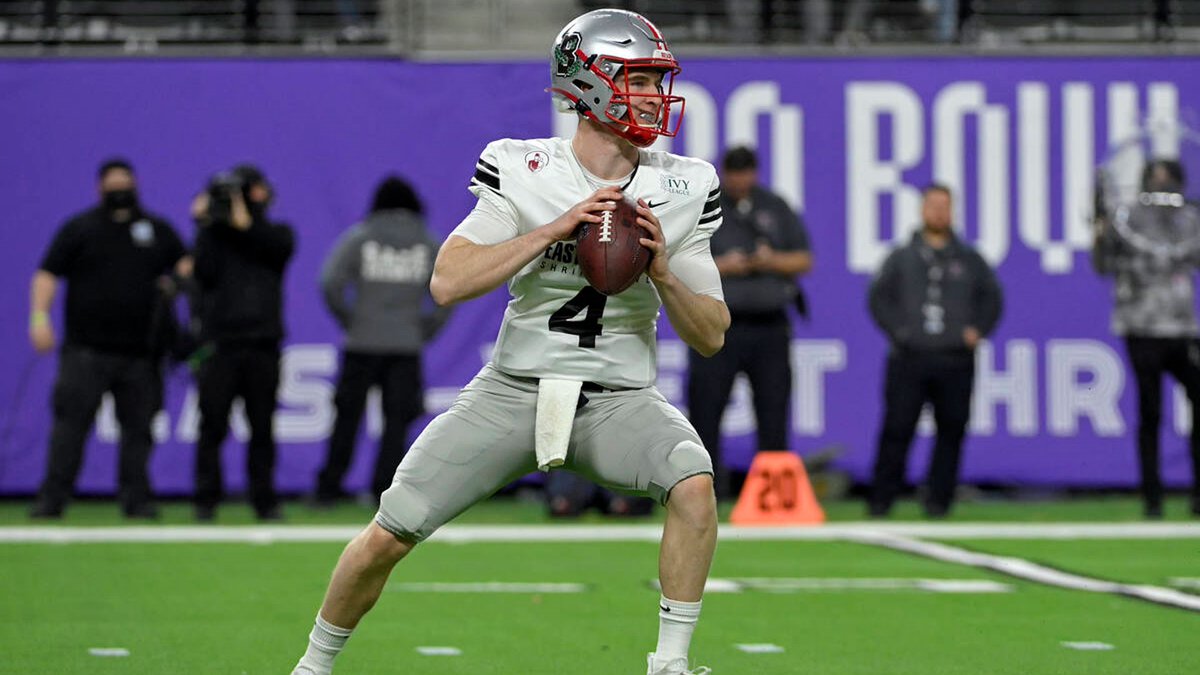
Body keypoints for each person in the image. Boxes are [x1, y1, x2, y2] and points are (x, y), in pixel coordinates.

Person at [292, 9, 727, 675]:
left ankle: (669, 664)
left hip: (618, 399)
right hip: (513, 391)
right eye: (638, 79)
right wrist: (552, 230)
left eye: (654, 81)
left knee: (694, 485)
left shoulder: (683, 185)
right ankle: (313, 665)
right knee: (388, 534)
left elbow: (712, 334)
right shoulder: (523, 166)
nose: (652, 96)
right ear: (590, 82)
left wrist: (663, 272)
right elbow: (447, 281)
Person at [29, 158, 186, 519]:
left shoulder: (156, 229)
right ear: (100, 188)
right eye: (113, 184)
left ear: (136, 185)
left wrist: (176, 284)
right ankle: (53, 498)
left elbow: (186, 265)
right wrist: (39, 317)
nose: (120, 190)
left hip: (140, 353)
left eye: (125, 183)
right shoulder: (80, 229)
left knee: (139, 431)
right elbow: (46, 274)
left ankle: (137, 500)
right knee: (70, 427)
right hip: (86, 351)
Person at [867, 183, 1002, 518]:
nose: (939, 212)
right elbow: (878, 298)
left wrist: (977, 330)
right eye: (933, 206)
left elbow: (992, 298)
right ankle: (882, 499)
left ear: (952, 210)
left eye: (945, 206)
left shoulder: (969, 259)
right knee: (898, 427)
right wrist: (900, 332)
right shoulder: (902, 257)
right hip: (910, 357)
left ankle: (939, 500)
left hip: (954, 358)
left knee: (952, 429)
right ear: (922, 210)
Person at [313, 175, 450, 507]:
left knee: (347, 419)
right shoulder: (428, 242)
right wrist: (425, 328)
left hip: (361, 342)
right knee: (397, 422)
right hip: (405, 345)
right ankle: (384, 488)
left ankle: (329, 488)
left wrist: (352, 320)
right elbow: (448, 291)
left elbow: (329, 282)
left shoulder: (361, 237)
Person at [686, 146, 813, 500]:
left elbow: (803, 259)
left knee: (773, 410)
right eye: (735, 173)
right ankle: (705, 491)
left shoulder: (775, 207)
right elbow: (681, 259)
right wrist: (724, 265)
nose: (742, 180)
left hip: (769, 325)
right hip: (717, 325)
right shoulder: (706, 205)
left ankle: (772, 498)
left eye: (747, 172)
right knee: (706, 411)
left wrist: (770, 260)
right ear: (725, 174)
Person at [1093, 159, 1200, 519]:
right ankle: (1152, 497)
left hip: (1183, 327)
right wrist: (1100, 226)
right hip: (1141, 327)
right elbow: (1103, 263)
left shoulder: (1188, 218)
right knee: (1150, 412)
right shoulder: (1128, 219)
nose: (1163, 189)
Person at [191, 164, 295, 522]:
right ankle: (205, 499)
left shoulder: (277, 234)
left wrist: (239, 217)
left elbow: (268, 244)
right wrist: (205, 223)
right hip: (221, 344)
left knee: (262, 426)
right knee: (212, 424)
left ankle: (264, 500)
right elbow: (202, 273)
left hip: (262, 344)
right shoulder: (211, 235)